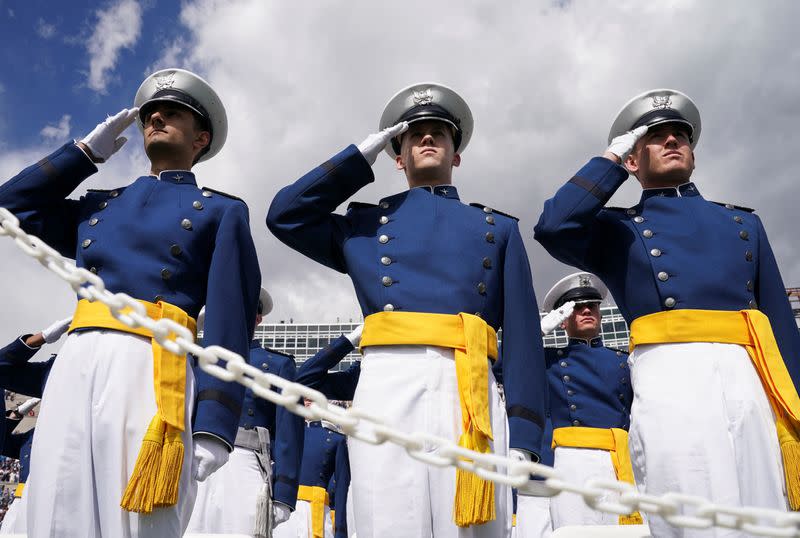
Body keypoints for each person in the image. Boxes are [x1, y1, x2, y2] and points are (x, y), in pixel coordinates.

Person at [268, 82, 545, 537]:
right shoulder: (363, 226)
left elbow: (522, 339)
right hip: (387, 385)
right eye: (413, 134)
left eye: (440, 131)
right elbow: (286, 215)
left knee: (473, 528)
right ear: (398, 156)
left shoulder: (497, 229)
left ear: (457, 154)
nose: (428, 137)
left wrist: (527, 438)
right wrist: (364, 154)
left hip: (469, 387)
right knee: (387, 520)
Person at [0, 68, 261, 537]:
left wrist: (216, 421)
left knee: (138, 520)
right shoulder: (98, 206)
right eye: (150, 114)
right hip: (77, 360)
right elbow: (11, 206)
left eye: (174, 112)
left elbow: (229, 322)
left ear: (201, 137)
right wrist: (84, 154)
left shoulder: (222, 210)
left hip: (151, 365)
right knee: (58, 506)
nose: (157, 116)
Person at [534, 89, 800, 536]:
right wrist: (611, 159)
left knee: (763, 506)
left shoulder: (742, 223)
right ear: (633, 161)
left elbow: (778, 324)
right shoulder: (619, 230)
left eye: (681, 135)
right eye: (656, 138)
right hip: (670, 375)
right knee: (688, 502)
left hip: (747, 374)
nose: (673, 141)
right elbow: (554, 226)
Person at [187, 287, 304, 537]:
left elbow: (288, 434)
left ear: (257, 319)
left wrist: (283, 493)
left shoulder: (277, 365)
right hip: (193, 457)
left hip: (246, 463)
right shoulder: (196, 356)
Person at [539, 272, 640, 528]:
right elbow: (498, 366)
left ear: (601, 314)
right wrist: (536, 332)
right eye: (576, 308)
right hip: (573, 460)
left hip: (621, 460)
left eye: (591, 306)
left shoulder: (624, 360)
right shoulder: (548, 361)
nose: (586, 311)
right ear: (563, 321)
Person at [274, 401, 347, 538]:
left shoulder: (335, 439)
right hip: (283, 507)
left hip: (317, 514)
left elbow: (341, 490)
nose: (307, 400)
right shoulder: (282, 435)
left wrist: (340, 532)